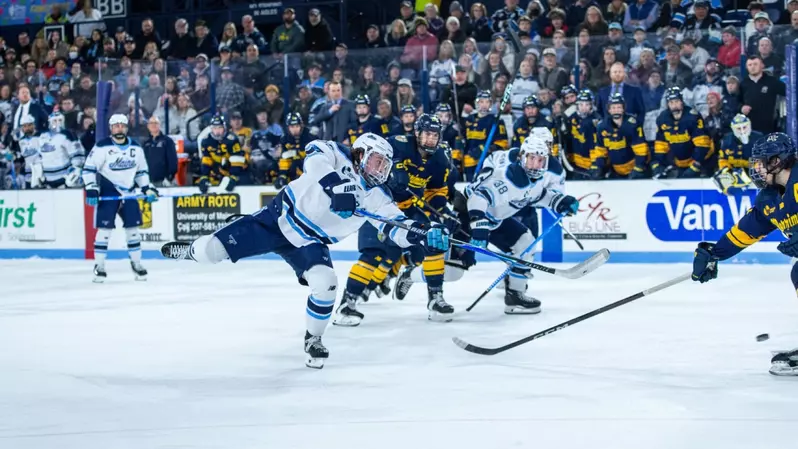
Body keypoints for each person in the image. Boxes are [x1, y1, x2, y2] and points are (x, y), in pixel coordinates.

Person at [162, 133, 451, 368]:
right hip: (275, 221)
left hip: (310, 242)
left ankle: (313, 339)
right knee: (210, 252)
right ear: (361, 153)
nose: (380, 170)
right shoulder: (337, 154)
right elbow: (313, 158)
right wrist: (337, 187)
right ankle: (191, 250)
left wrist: (422, 235)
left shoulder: (377, 196)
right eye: (377, 162)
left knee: (326, 284)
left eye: (385, 166)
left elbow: (396, 226)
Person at [691, 132, 798, 376]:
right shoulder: (769, 199)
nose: (756, 168)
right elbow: (746, 231)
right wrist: (713, 254)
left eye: (761, 162)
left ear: (777, 161)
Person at [464, 138, 579, 313]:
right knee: (452, 272)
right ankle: (411, 275)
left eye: (540, 160)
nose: (535, 165)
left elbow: (539, 195)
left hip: (496, 221)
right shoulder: (508, 178)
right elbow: (477, 198)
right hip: (468, 217)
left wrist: (560, 201)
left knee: (525, 244)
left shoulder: (536, 178)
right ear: (522, 158)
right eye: (531, 159)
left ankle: (515, 296)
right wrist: (479, 226)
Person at [82, 114, 159, 283]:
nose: (119, 128)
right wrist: (92, 189)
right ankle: (99, 266)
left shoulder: (136, 148)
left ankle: (136, 264)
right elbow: (88, 169)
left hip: (129, 193)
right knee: (104, 232)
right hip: (108, 193)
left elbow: (141, 172)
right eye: (115, 126)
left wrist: (147, 188)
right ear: (111, 128)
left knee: (133, 231)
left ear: (126, 127)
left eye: (122, 125)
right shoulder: (102, 147)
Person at [652, 87, 712, 179]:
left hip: (703, 160)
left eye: (676, 101)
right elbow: (661, 144)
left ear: (681, 102)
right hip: (680, 162)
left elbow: (702, 145)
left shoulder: (693, 116)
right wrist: (659, 163)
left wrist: (696, 165)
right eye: (671, 102)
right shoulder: (662, 118)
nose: (674, 105)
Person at [591, 93, 649, 179]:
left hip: (634, 167)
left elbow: (641, 149)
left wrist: (639, 167)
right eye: (613, 108)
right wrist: (599, 168)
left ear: (623, 109)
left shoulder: (632, 124)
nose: (616, 110)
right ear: (609, 110)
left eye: (619, 107)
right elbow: (600, 150)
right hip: (615, 169)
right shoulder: (601, 127)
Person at [31, 112, 85, 188]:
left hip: (64, 177)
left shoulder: (68, 135)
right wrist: (38, 174)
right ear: (49, 122)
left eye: (60, 120)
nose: (58, 123)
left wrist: (74, 171)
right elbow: (37, 157)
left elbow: (78, 155)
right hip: (46, 179)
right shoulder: (42, 136)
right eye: (55, 120)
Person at [464, 90, 509, 181]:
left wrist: (485, 149)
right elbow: (464, 140)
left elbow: (503, 144)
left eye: (487, 102)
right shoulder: (468, 120)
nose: (484, 105)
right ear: (476, 103)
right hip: (468, 162)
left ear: (491, 104)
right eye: (481, 102)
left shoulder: (496, 121)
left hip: (487, 162)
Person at [713, 114, 763, 196]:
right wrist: (726, 171)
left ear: (749, 125)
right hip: (736, 171)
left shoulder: (758, 138)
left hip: (756, 172)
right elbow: (723, 160)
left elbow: (764, 161)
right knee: (720, 177)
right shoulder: (727, 140)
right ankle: (731, 194)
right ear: (733, 129)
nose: (742, 131)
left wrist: (746, 174)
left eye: (744, 127)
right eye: (739, 128)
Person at [198, 113, 245, 194]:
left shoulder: (232, 139)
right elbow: (206, 159)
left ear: (224, 128)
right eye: (215, 128)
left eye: (220, 128)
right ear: (211, 129)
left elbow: (237, 160)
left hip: (234, 171)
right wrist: (204, 176)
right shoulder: (206, 141)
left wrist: (234, 177)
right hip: (217, 171)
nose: (217, 131)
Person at [275, 112, 313, 189]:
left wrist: (298, 153)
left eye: (297, 126)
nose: (295, 129)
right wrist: (282, 175)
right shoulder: (284, 140)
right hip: (292, 170)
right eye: (292, 126)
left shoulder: (310, 137)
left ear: (301, 126)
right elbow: (284, 159)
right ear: (288, 127)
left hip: (309, 170)